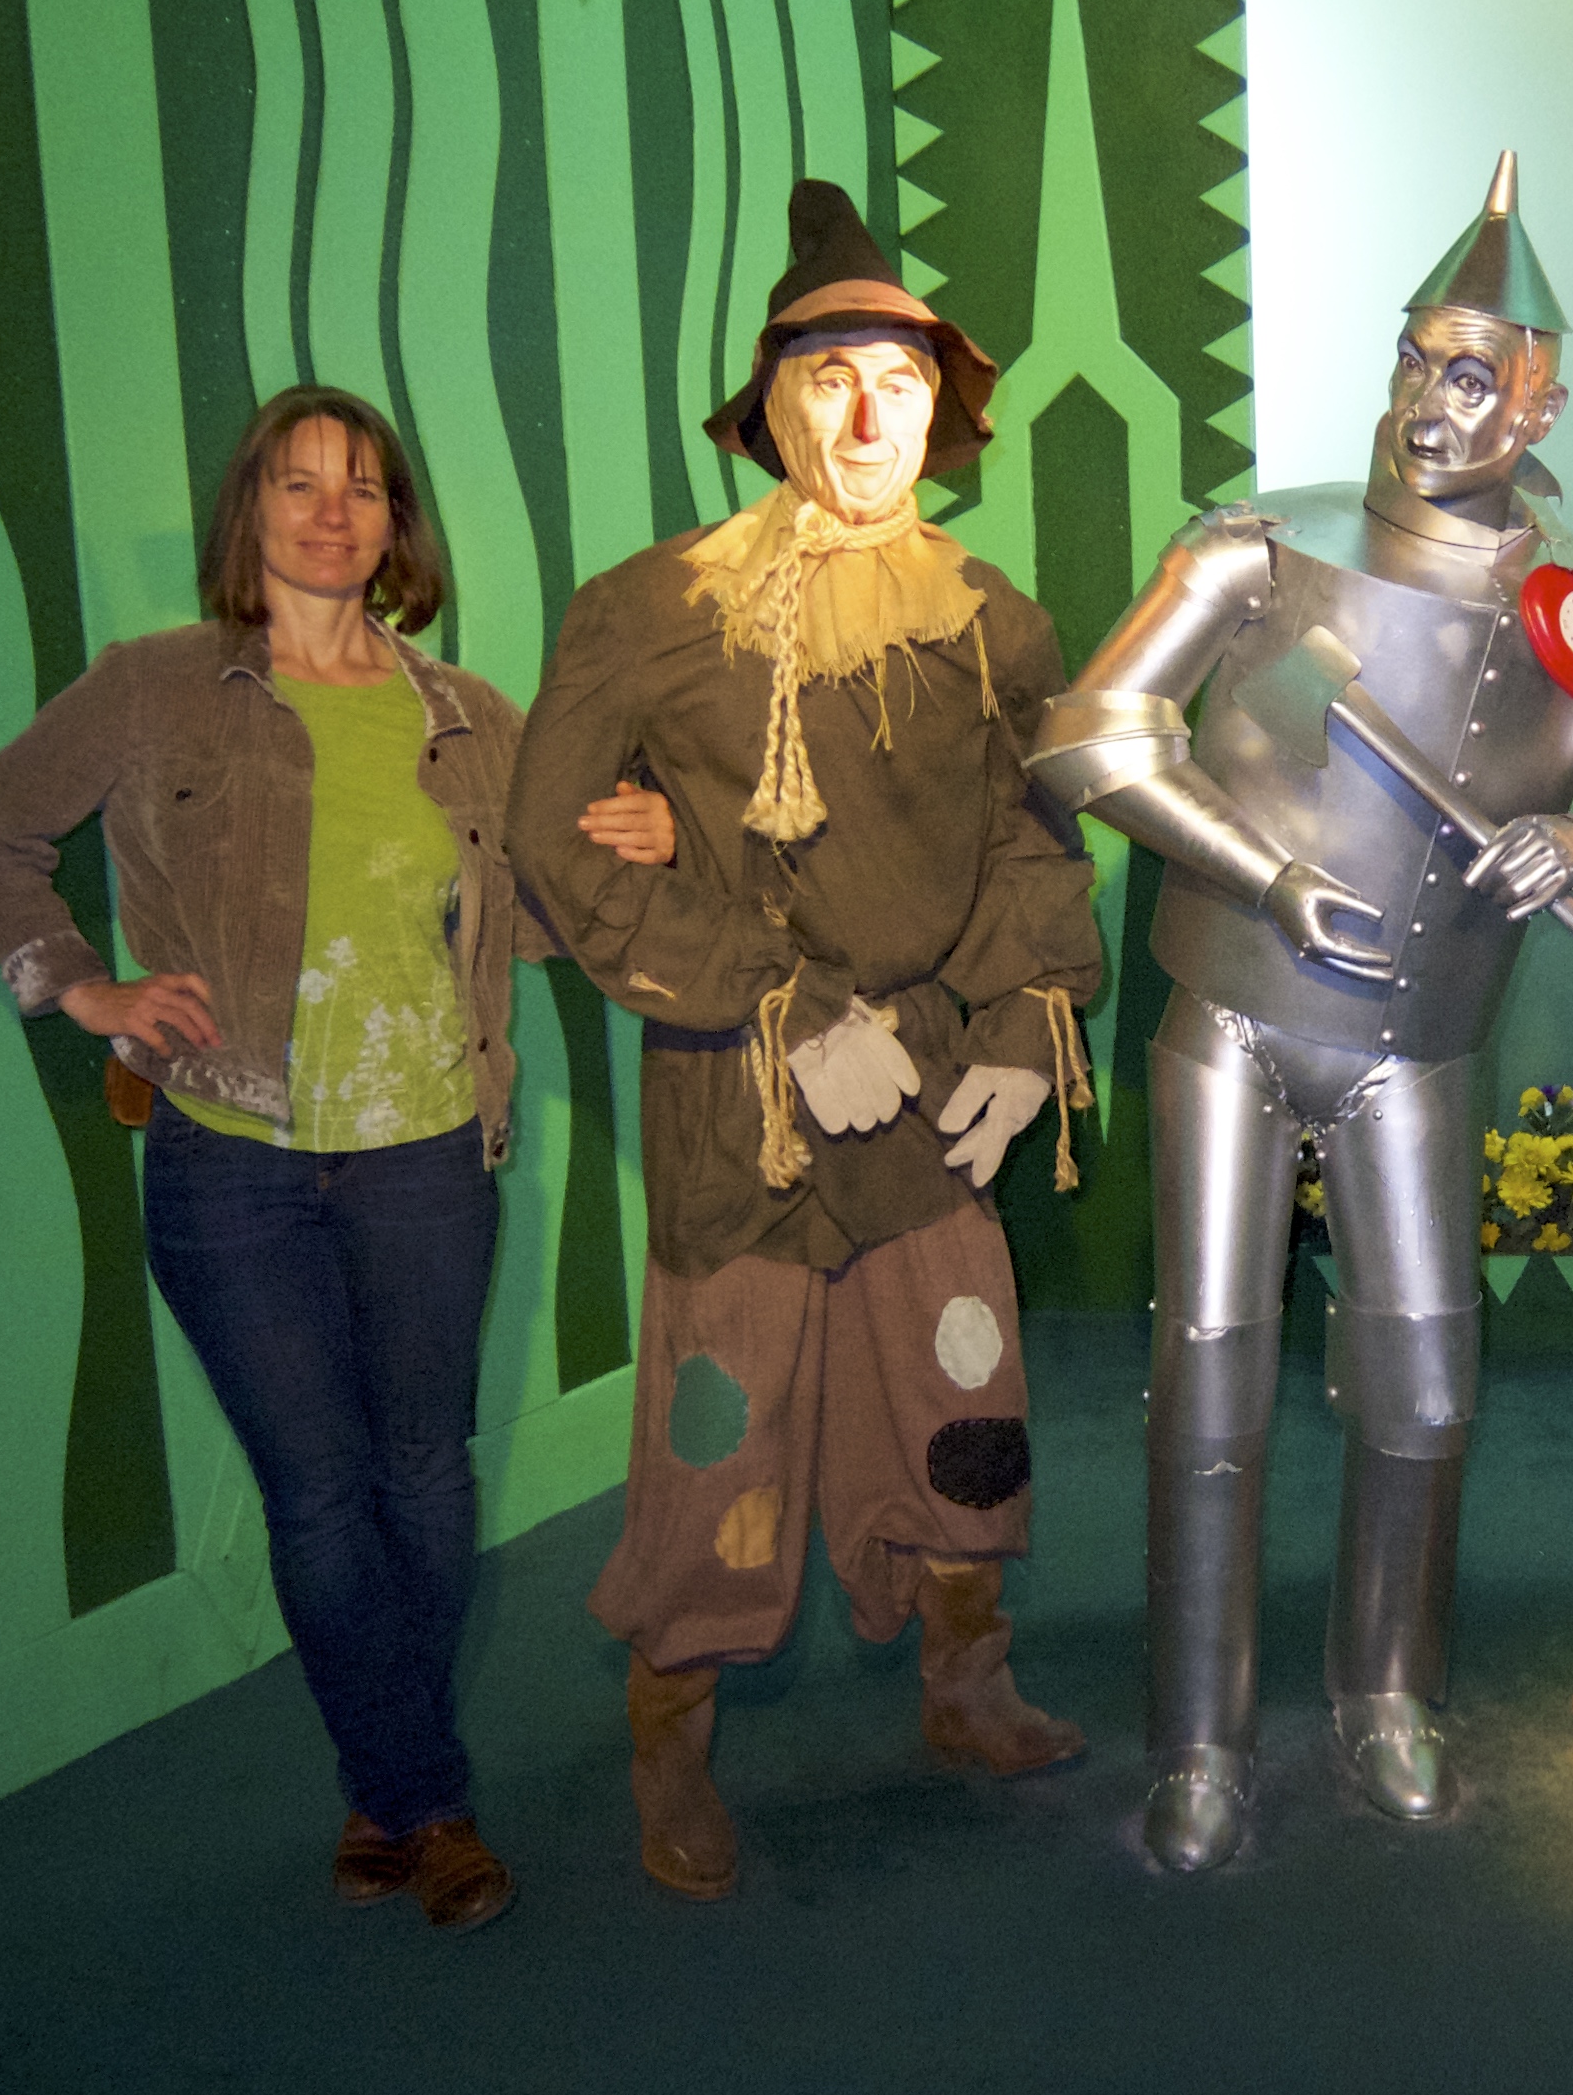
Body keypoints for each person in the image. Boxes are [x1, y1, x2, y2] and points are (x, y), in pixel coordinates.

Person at [1025, 152, 1573, 1871]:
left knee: (1424, 1383)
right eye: (1423, 363)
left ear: (1545, 403)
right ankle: (1199, 1738)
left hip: (1420, 1047)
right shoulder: (1259, 550)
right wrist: (1260, 868)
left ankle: (1385, 1692)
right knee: (1210, 1381)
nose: (1439, 403)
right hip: (1235, 1013)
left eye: (1481, 378)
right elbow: (1084, 737)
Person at [0, 385, 675, 1930]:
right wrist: (83, 987)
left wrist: (638, 846)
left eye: (362, 487)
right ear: (250, 512)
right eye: (297, 483)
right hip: (231, 1163)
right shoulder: (152, 687)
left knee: (424, 1479)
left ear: (397, 525)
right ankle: (429, 1800)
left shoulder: (468, 715)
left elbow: (536, 923)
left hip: (426, 1155)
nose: (332, 512)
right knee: (321, 1496)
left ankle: (381, 1787)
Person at [507, 180, 1103, 1904]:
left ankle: (966, 1681)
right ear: (774, 405)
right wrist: (771, 998)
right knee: (727, 1420)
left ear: (939, 410)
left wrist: (1026, 1019)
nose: (865, 416)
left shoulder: (990, 615)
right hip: (743, 1097)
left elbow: (1031, 835)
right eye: (830, 378)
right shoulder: (649, 608)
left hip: (928, 1089)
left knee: (965, 1385)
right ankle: (671, 1741)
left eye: (897, 382)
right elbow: (556, 845)